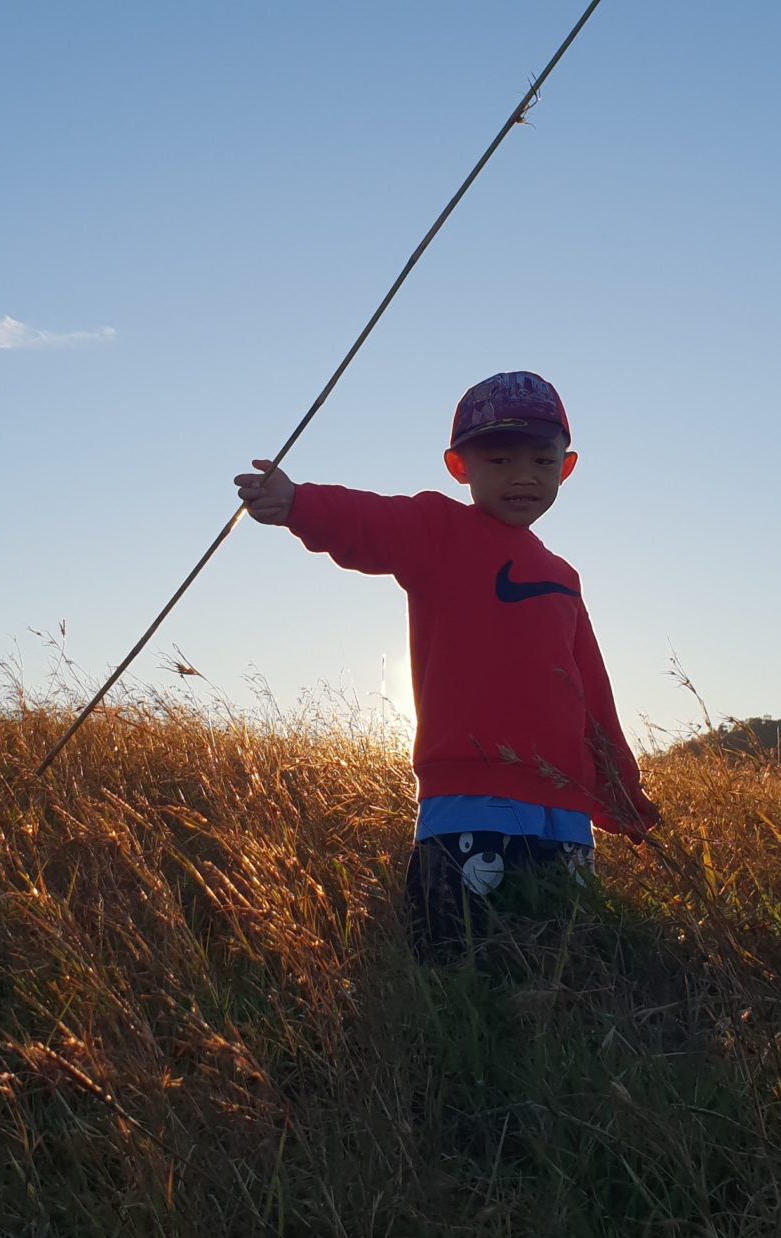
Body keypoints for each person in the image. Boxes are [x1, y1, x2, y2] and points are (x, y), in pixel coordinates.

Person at [233, 370, 661, 959]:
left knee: (559, 960)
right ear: (460, 467)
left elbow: (591, 690)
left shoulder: (564, 578)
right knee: (457, 960)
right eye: (500, 460)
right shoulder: (440, 531)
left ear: (567, 466)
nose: (522, 476)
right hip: (469, 795)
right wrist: (298, 503)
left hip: (564, 811)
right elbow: (372, 520)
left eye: (541, 460)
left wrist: (623, 794)